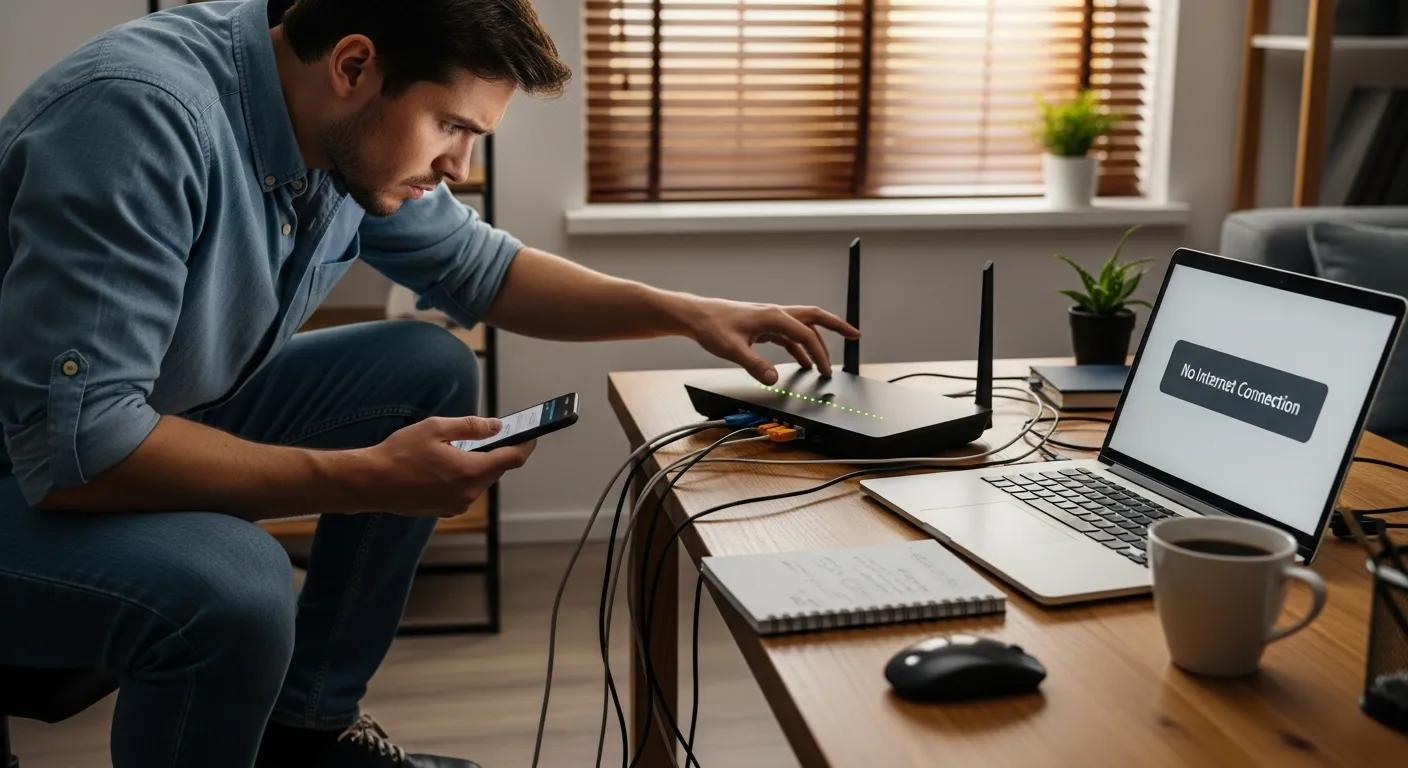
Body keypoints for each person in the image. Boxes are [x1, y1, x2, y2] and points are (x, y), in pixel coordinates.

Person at [0, 1, 858, 766]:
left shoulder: (328, 118)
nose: (456, 164)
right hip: (35, 460)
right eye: (453, 126)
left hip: (126, 413)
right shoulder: (141, 118)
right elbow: (87, 447)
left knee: (426, 367)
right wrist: (365, 475)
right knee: (240, 585)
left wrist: (689, 311)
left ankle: (308, 733)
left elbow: (481, 269)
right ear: (354, 63)